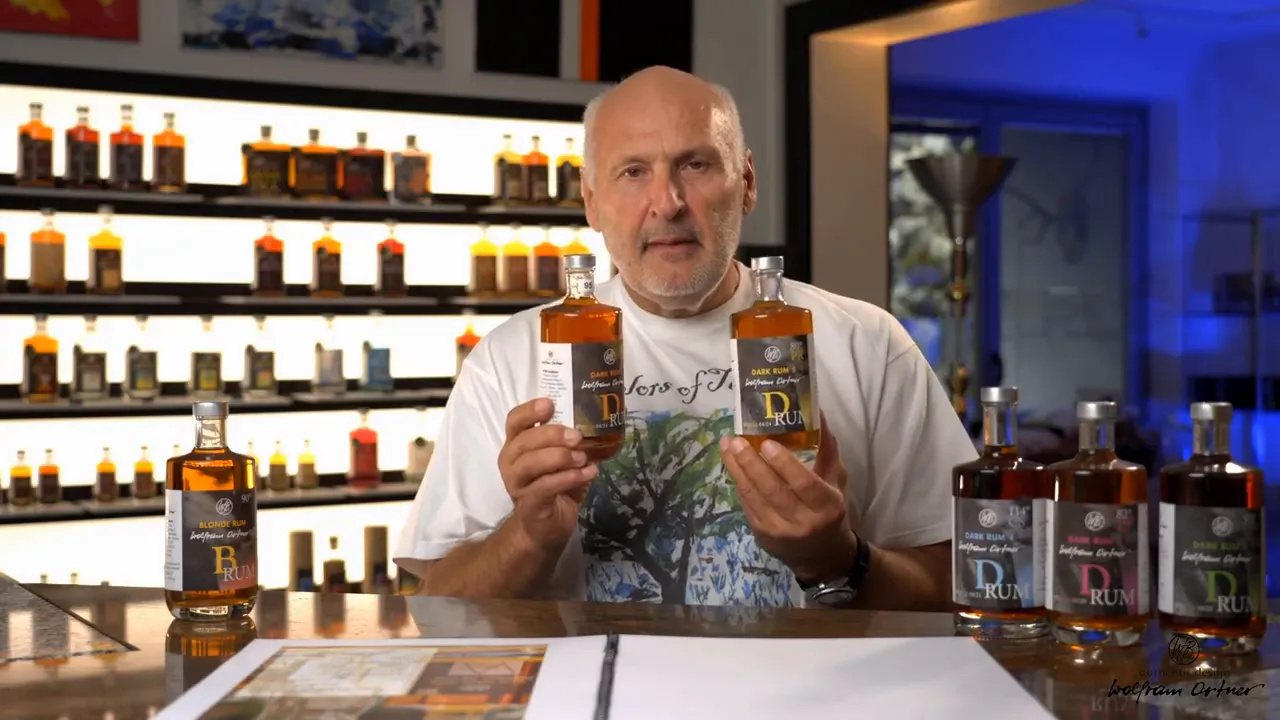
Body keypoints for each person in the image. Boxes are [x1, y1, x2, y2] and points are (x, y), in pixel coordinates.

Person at [393, 66, 976, 610]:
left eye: (695, 165)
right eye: (633, 172)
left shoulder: (866, 343)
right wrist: (529, 533)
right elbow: (437, 605)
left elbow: (968, 583)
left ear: (746, 182)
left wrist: (838, 558)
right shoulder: (509, 359)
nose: (667, 204)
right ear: (591, 203)